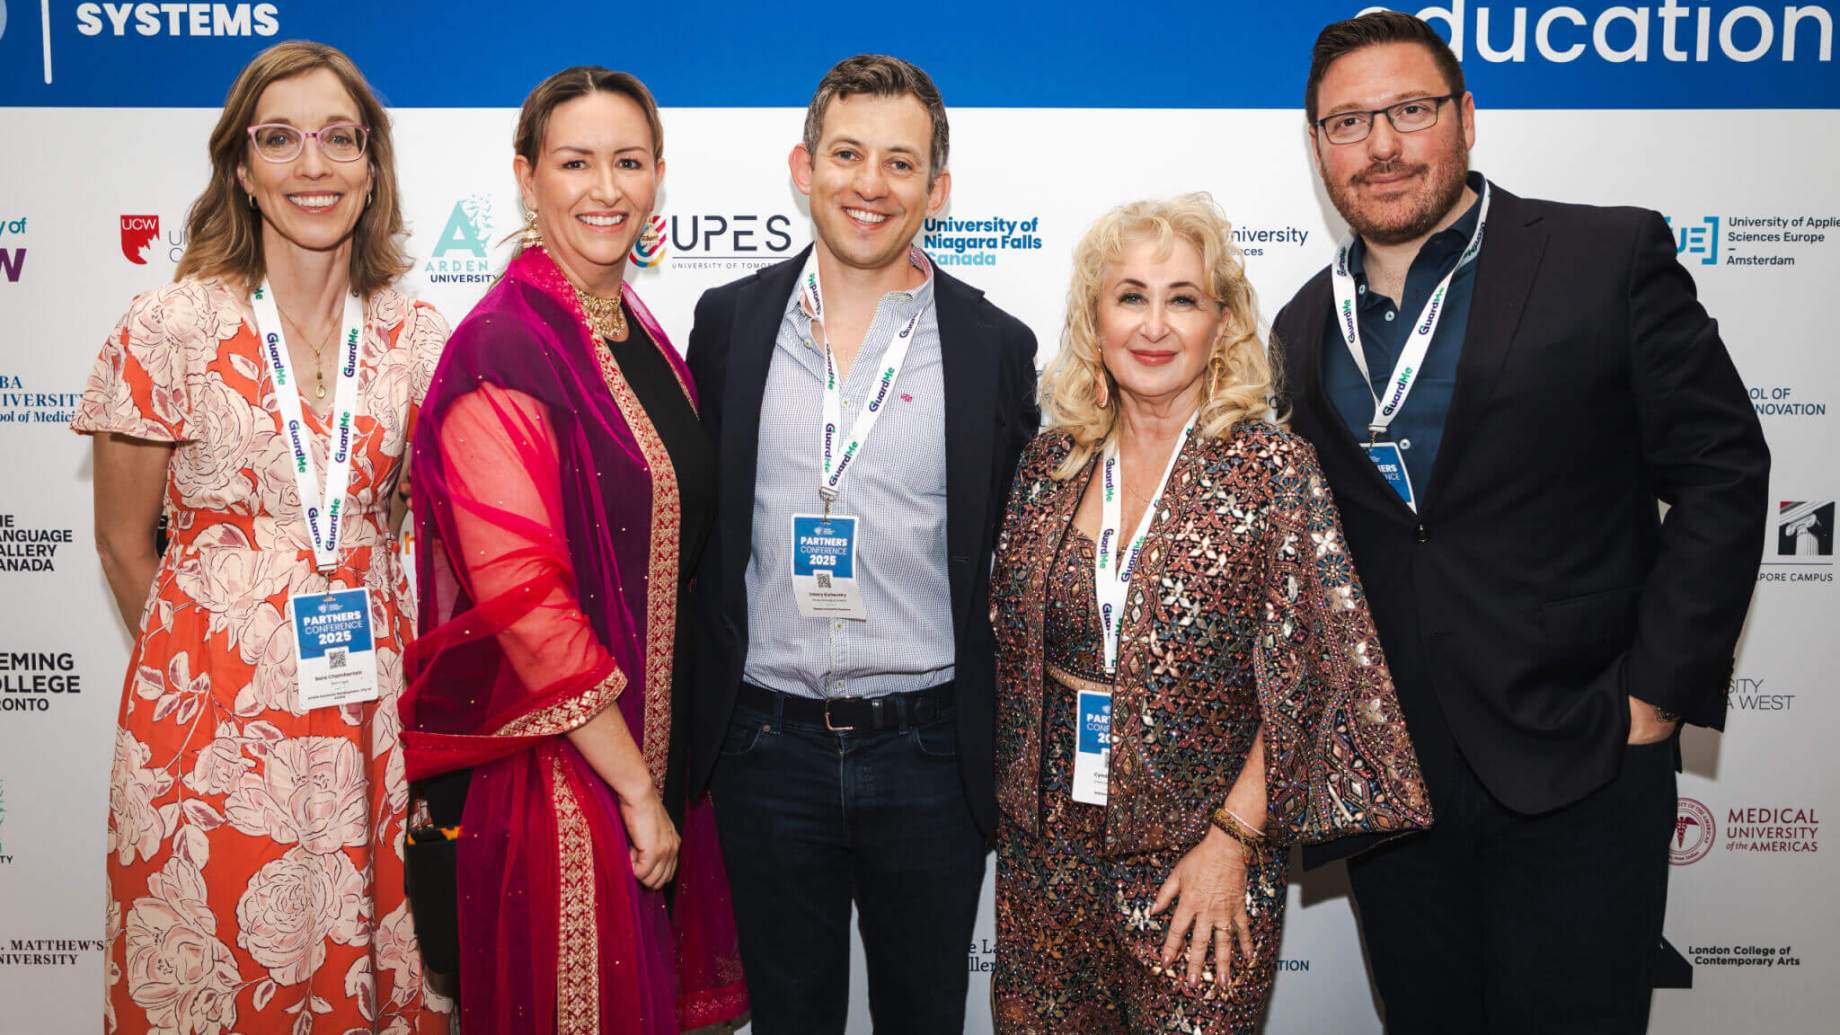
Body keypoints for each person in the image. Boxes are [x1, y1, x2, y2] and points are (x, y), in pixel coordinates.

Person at [1269, 12, 1771, 1033]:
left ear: (1464, 117)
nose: (1380, 146)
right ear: (1318, 145)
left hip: (1580, 760)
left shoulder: (1603, 252)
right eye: (1347, 122)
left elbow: (1722, 470)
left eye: (1409, 111)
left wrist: (1653, 700)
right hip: (1397, 789)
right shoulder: (1301, 325)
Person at [73, 41, 451, 1034]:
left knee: (380, 970)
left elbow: (427, 527)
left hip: (375, 721)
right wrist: (201, 685)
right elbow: (122, 543)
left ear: (372, 166)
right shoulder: (169, 326)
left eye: (339, 139)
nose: (313, 167)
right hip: (211, 741)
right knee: (223, 973)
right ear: (241, 167)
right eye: (279, 140)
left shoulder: (419, 335)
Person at [989, 195, 1432, 1034]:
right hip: (1048, 861)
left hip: (1202, 860)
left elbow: (1313, 672)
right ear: (1095, 317)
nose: (1154, 325)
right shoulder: (1052, 461)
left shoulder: (1273, 470)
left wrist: (1232, 842)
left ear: (1220, 322)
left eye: (1182, 298)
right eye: (1130, 296)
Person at [684, 54, 1039, 1034]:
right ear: (802, 166)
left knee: (923, 1018)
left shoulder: (992, 347)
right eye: (846, 155)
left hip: (927, 753)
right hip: (765, 749)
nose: (868, 186)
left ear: (938, 188)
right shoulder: (728, 324)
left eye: (898, 163)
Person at [399, 67, 747, 1034]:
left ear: (658, 178)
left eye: (628, 162)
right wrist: (637, 790)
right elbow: (527, 607)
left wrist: (659, 781)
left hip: (653, 762)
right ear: (526, 176)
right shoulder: (502, 347)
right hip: (563, 782)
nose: (606, 188)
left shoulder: (634, 327)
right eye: (576, 162)